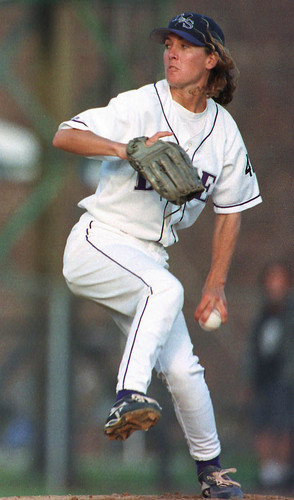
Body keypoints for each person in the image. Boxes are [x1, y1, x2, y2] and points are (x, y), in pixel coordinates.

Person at [53, 12, 262, 498]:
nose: (171, 52)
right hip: (99, 240)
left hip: (150, 258)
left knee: (184, 368)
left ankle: (211, 473)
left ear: (212, 60)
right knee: (164, 289)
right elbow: (65, 134)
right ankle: (127, 395)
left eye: (185, 46)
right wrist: (124, 149)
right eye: (168, 43)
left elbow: (231, 210)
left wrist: (216, 283)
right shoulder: (140, 104)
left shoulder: (224, 133)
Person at [241, 261, 294, 491]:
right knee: (261, 425)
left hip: (285, 380)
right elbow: (252, 352)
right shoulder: (261, 316)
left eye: (279, 280)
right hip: (262, 380)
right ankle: (268, 472)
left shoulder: (289, 314)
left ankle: (282, 471)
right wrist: (248, 381)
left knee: (283, 425)